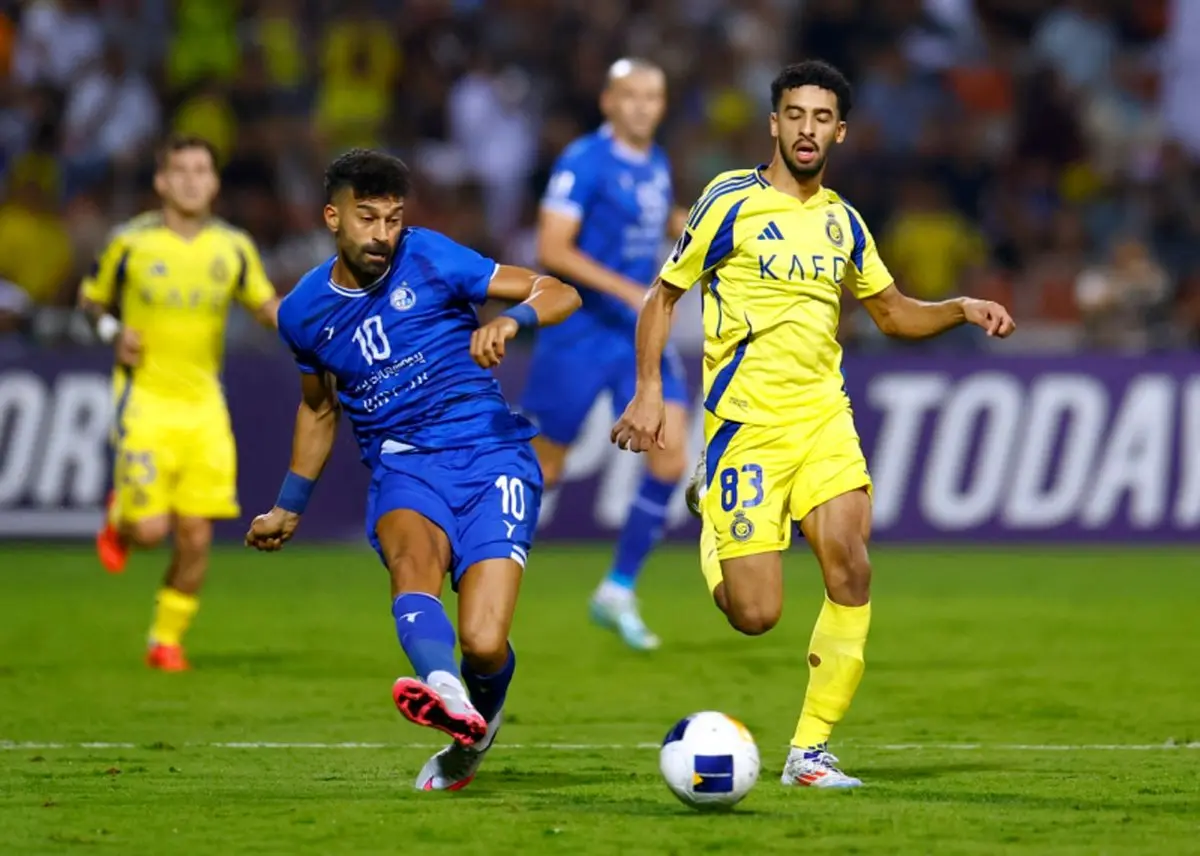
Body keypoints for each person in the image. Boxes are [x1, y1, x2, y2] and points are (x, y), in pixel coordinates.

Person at [611, 60, 1015, 788]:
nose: (806, 129)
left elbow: (891, 312)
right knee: (754, 613)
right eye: (794, 114)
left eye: (821, 118)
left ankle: (809, 752)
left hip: (824, 419)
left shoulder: (844, 222)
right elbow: (662, 297)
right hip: (747, 431)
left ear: (841, 131)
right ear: (774, 122)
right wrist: (647, 391)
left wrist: (958, 307)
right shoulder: (728, 200)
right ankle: (710, 506)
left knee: (851, 563)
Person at [245, 149, 580, 792]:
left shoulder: (430, 256)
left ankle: (473, 716)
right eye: (367, 218)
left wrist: (513, 318)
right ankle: (446, 691)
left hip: (490, 455)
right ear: (332, 218)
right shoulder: (301, 314)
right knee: (412, 565)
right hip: (405, 466)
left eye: (393, 218)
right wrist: (289, 504)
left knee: (484, 642)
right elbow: (318, 411)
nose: (383, 234)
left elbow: (558, 289)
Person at [79, 134, 280, 672]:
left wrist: (318, 317)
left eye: (202, 170)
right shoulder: (131, 242)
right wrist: (109, 328)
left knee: (195, 534)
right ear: (161, 181)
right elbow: (90, 297)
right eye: (181, 170)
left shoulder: (233, 247)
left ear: (215, 182)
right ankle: (120, 520)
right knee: (150, 532)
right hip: (144, 400)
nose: (192, 179)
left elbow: (266, 307)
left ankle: (165, 640)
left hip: (205, 409)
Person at [524, 58, 689, 651]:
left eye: (654, 95)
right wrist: (626, 289)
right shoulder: (583, 161)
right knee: (544, 469)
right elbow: (552, 247)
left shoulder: (657, 163)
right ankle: (485, 574)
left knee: (670, 454)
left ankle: (617, 591)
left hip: (636, 336)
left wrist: (704, 228)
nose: (643, 105)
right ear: (608, 102)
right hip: (579, 332)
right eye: (632, 95)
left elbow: (663, 221)